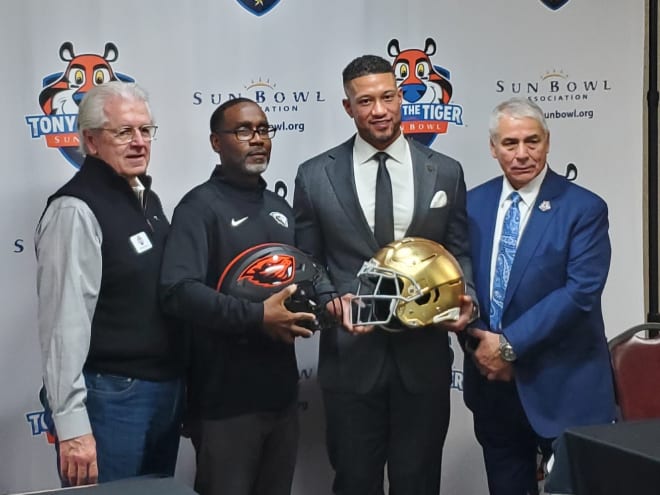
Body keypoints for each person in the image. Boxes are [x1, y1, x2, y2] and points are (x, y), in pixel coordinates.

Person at [293, 54, 478, 495]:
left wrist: (464, 295)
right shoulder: (315, 175)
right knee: (356, 482)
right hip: (351, 361)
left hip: (424, 360)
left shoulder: (445, 172)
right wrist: (330, 304)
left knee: (419, 483)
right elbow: (307, 262)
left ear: (400, 98)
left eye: (388, 97)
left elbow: (459, 253)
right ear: (348, 107)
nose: (379, 110)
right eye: (366, 100)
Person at [159, 97, 316, 495]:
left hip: (281, 398)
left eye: (263, 130)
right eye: (244, 130)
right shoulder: (199, 207)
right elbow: (177, 291)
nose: (257, 139)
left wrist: (317, 309)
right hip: (224, 402)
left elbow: (292, 289)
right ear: (216, 142)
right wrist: (256, 317)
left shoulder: (280, 208)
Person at [463, 97, 616, 495]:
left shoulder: (584, 208)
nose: (522, 154)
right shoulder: (472, 205)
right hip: (494, 388)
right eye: (510, 144)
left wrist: (509, 346)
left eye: (532, 141)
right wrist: (481, 343)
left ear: (547, 142)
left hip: (564, 386)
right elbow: (461, 283)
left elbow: (580, 292)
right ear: (493, 147)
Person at [35, 81, 184, 486]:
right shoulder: (75, 210)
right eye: (123, 132)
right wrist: (72, 425)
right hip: (110, 398)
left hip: (162, 390)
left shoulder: (145, 199)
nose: (139, 142)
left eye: (145, 130)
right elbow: (63, 325)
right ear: (90, 140)